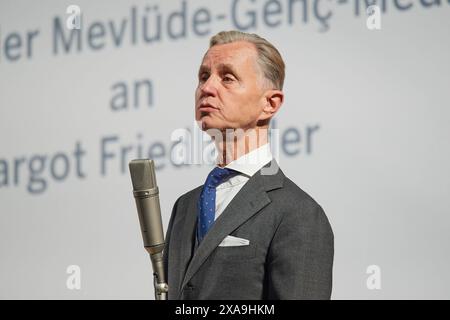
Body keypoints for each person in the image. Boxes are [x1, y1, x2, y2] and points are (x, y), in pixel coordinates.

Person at [163, 30, 334, 300]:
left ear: (270, 103)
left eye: (227, 78)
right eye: (204, 76)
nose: (207, 88)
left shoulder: (298, 213)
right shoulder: (184, 206)